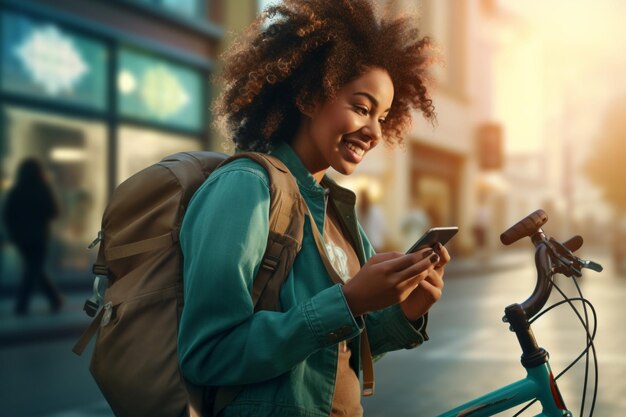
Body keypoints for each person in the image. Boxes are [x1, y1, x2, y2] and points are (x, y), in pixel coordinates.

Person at [177, 1, 450, 416]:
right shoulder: (246, 188)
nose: (374, 131)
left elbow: (337, 350)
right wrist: (348, 301)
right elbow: (209, 353)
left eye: (383, 116)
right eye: (361, 107)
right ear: (307, 96)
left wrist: (405, 309)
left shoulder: (337, 208)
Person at [3, 158, 63, 315]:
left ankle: (53, 299)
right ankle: (25, 303)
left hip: (22, 239)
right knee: (34, 269)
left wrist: (14, 233)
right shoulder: (42, 189)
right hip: (39, 238)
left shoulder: (16, 191)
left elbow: (8, 215)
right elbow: (54, 211)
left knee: (34, 268)